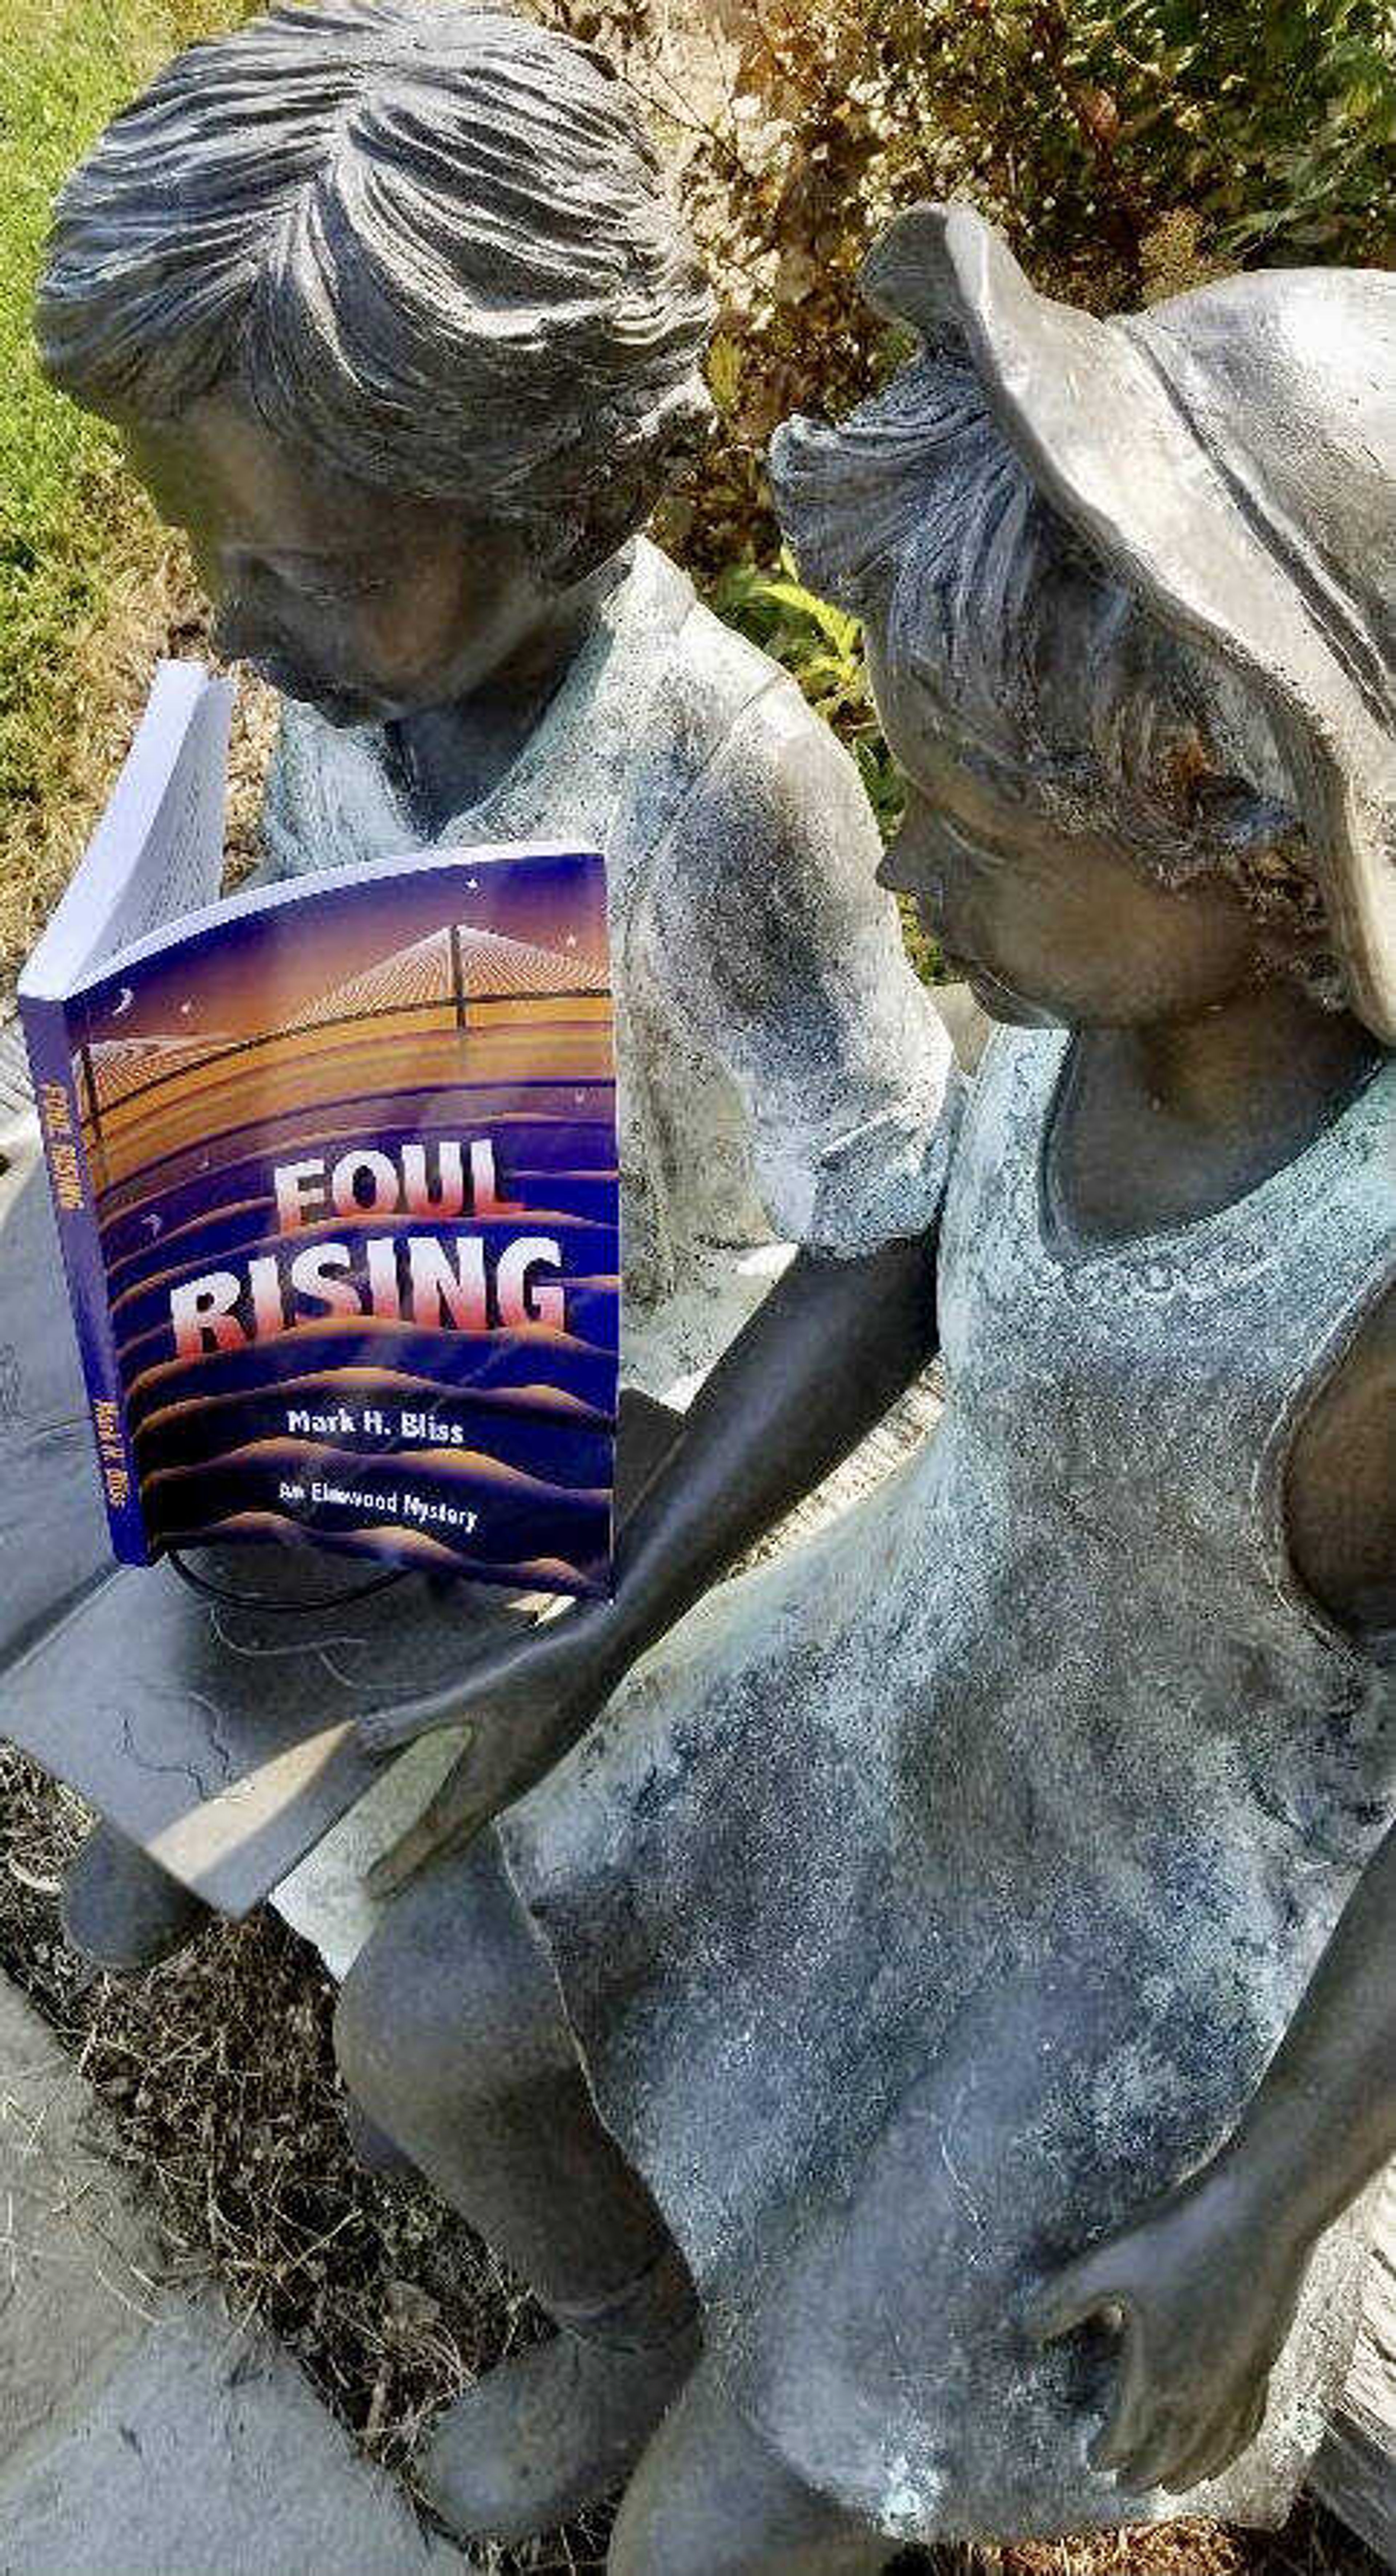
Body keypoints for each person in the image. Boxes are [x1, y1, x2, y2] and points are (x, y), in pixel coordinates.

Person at [332, 207, 1394, 2566]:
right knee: (422, 2025)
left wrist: (1267, 2211)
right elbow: (914, 1253)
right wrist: (609, 1624)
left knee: (709, 2551)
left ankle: (758, 2407)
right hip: (903, 1677)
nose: (908, 872)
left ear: (1255, 827)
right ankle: (630, 2314)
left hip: (1165, 1909)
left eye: (981, 837)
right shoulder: (1093, 992)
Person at [31, 0, 955, 1969]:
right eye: (219, 563)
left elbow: (892, 1223)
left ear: (572, 505)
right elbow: (312, 945)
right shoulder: (369, 679)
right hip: (361, 1266)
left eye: (302, 573)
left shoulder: (720, 786)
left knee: (440, 1946)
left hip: (604, 1378)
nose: (242, 634)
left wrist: (632, 1582)